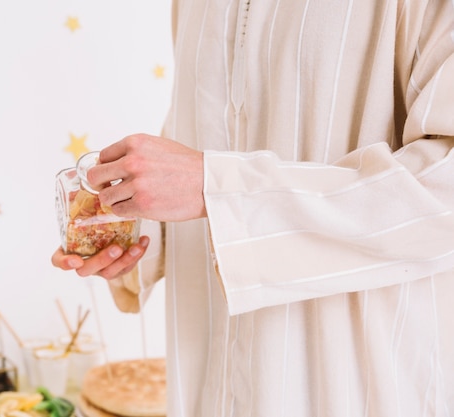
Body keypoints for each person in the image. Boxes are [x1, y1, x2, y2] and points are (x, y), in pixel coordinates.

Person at [52, 0, 454, 415]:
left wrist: (221, 187)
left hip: (359, 386)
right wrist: (130, 231)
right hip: (206, 385)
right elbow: (205, 152)